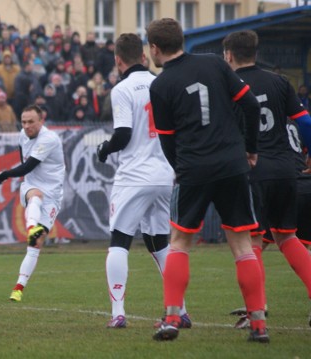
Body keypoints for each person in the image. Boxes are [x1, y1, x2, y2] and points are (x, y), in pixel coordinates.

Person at [146, 18, 267, 343]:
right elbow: (251, 105)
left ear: (155, 48)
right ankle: (258, 324)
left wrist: (180, 168)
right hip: (231, 165)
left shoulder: (159, 86)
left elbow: (167, 140)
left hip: (194, 170)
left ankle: (172, 319)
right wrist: (250, 149)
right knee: (242, 245)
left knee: (179, 242)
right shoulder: (215, 63)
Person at [96, 33, 189, 329]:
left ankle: (118, 313)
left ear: (118, 60)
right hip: (163, 175)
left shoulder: (122, 89)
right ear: (145, 56)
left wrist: (104, 148)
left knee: (120, 241)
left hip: (134, 176)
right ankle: (181, 310)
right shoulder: (162, 83)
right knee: (161, 244)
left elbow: (122, 134)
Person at [222, 30, 311, 328]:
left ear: (229, 55)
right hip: (286, 170)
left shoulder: (228, 85)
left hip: (252, 171)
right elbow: (305, 122)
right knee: (287, 237)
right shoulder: (279, 81)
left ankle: (255, 312)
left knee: (251, 241)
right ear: (255, 53)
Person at [0, 105, 64, 302]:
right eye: (23, 122)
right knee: (34, 195)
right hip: (33, 185)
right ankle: (32, 227)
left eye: (31, 122)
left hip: (53, 193)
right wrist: (11, 176)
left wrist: (6, 174)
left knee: (36, 244)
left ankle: (18, 288)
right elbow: (24, 164)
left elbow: (28, 165)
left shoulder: (49, 138)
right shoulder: (22, 135)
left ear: (41, 121)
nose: (26, 126)